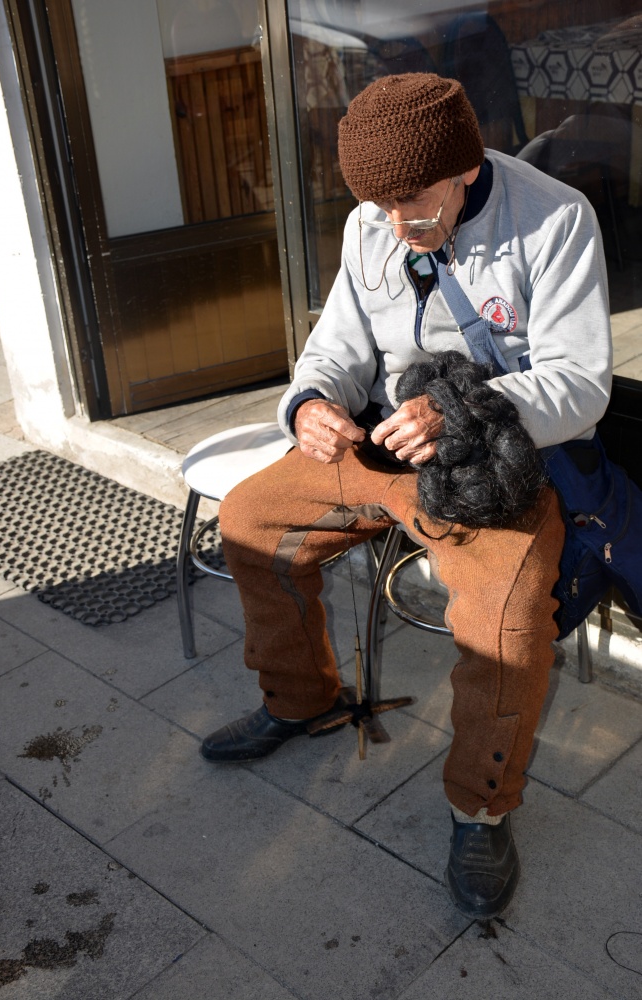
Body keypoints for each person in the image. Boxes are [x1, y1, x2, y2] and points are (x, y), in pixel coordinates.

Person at [200, 73, 612, 919]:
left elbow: (583, 384)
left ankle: (481, 808)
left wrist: (464, 409)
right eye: (380, 205)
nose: (397, 226)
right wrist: (310, 404)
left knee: (503, 626)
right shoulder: (370, 223)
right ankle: (302, 701)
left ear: (465, 170)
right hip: (383, 444)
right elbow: (338, 348)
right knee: (249, 520)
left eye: (414, 203)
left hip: (491, 463)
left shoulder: (556, 218)